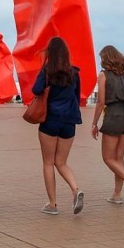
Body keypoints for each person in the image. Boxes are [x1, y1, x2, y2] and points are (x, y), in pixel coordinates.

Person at [31, 36, 84, 215]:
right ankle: (76, 190)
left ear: (50, 53)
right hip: (69, 122)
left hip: (50, 120)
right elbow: (77, 97)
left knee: (48, 162)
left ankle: (53, 204)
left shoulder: (47, 71)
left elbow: (36, 90)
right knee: (61, 162)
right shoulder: (74, 73)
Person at [90, 45, 124, 205]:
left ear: (106, 58)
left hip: (113, 115)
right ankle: (117, 194)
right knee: (119, 157)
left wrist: (94, 123)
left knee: (108, 158)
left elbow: (100, 102)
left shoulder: (104, 75)